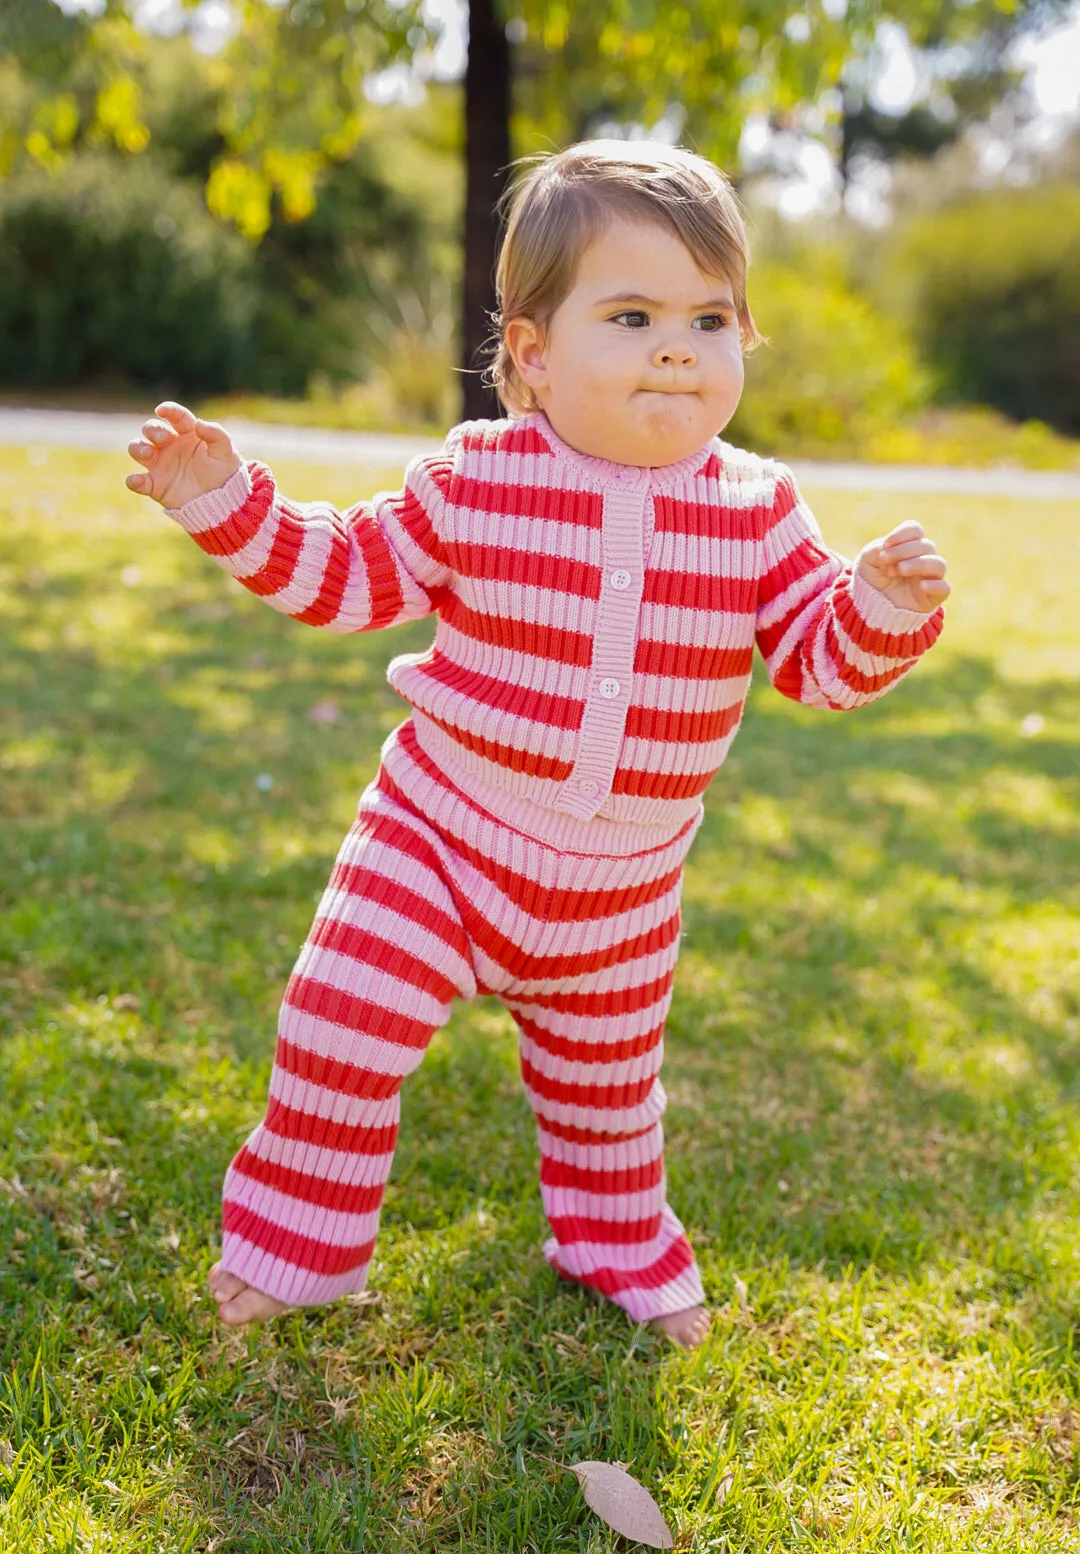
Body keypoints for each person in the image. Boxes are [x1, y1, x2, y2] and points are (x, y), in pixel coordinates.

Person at [125, 140, 950, 1349]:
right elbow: (347, 575)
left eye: (711, 317)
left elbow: (819, 665)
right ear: (533, 353)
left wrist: (878, 605)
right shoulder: (480, 476)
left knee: (609, 1098)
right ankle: (300, 1244)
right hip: (441, 833)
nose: (679, 346)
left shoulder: (759, 509)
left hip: (623, 889)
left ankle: (613, 1243)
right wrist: (227, 501)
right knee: (340, 1025)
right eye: (632, 313)